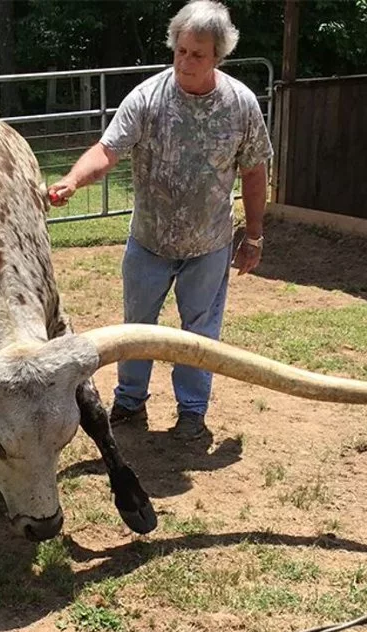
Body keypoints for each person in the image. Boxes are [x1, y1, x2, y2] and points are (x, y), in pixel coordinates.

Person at [48, 0, 272, 441]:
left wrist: (255, 236)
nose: (186, 62)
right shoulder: (148, 98)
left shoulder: (241, 104)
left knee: (200, 333)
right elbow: (108, 150)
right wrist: (74, 179)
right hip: (148, 242)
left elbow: (255, 171)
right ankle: (129, 403)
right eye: (181, 51)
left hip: (209, 244)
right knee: (136, 328)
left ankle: (192, 412)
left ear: (218, 57)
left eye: (198, 55)